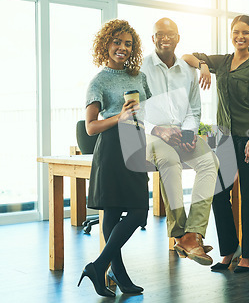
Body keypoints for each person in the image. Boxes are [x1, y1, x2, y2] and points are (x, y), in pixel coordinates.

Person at [182, 15, 249, 273]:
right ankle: (229, 249)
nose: (240, 37)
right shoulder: (223, 61)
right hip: (224, 136)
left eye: (245, 32)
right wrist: (204, 66)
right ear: (231, 34)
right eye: (236, 32)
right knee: (219, 193)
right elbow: (187, 56)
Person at [78, 19, 151, 297]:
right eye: (117, 42)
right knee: (122, 211)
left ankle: (103, 268)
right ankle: (111, 272)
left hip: (135, 142)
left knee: (132, 210)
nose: (122, 47)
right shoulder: (99, 81)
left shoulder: (139, 76)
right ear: (106, 44)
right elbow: (90, 127)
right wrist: (118, 117)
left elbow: (147, 109)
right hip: (111, 146)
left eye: (128, 43)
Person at [141, 18, 219, 266]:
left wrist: (188, 132)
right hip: (153, 134)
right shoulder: (140, 69)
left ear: (178, 38)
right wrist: (159, 130)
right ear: (153, 38)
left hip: (182, 131)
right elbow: (136, 111)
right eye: (160, 34)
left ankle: (192, 233)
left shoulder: (188, 70)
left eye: (170, 34)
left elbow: (194, 109)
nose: (165, 38)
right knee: (169, 162)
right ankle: (179, 233)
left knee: (210, 161)